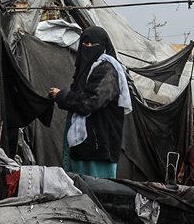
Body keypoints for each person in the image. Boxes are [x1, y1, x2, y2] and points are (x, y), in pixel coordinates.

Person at [47, 26, 132, 178]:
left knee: (96, 194)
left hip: (99, 148)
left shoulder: (107, 70)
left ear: (104, 47)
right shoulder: (84, 71)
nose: (89, 49)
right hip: (83, 147)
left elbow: (90, 102)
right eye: (85, 45)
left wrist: (63, 96)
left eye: (94, 45)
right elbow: (82, 94)